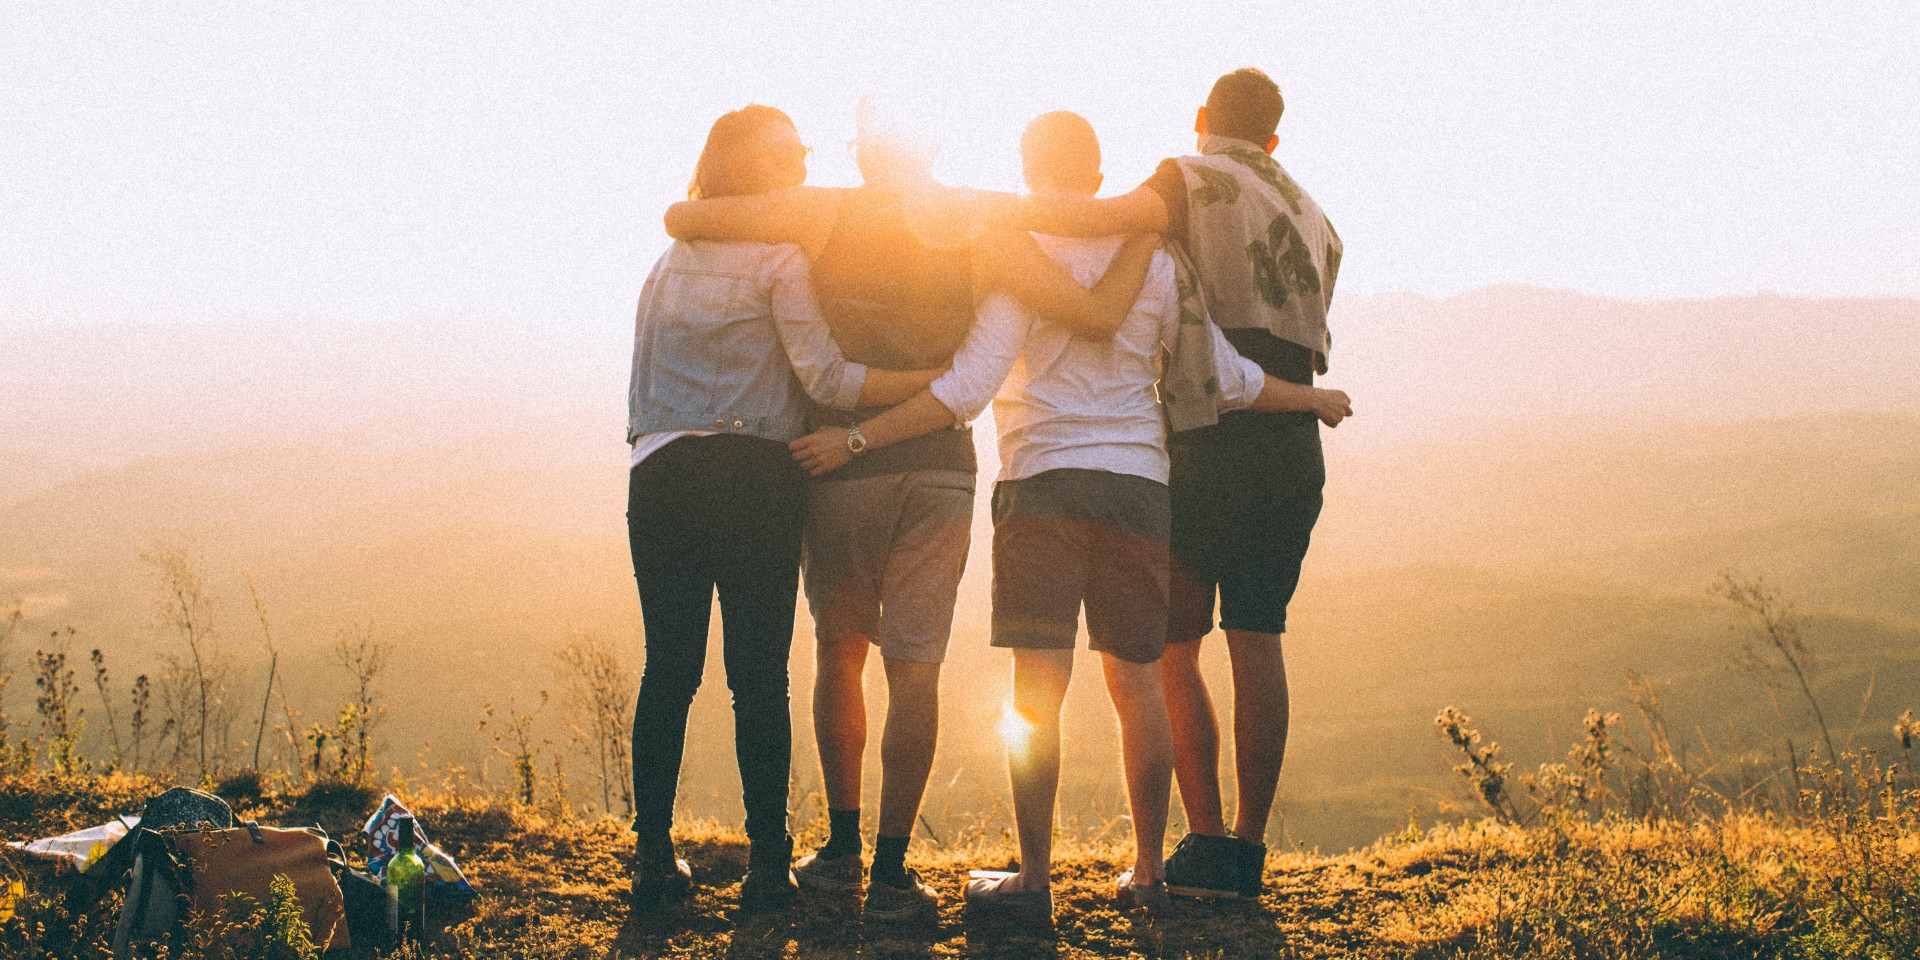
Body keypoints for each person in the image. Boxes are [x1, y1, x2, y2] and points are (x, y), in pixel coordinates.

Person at [789, 111, 1350, 923]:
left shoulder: (1018, 257)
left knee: (1036, 695)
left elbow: (967, 388)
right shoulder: (1157, 261)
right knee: (1139, 687)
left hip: (1041, 485)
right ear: (1097, 177)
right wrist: (1313, 398)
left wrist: (858, 437)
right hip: (1138, 490)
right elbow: (1226, 377)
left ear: (1027, 169)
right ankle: (1150, 874)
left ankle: (1035, 879)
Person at [663, 97, 1159, 922]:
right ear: (933, 146)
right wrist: (1145, 227)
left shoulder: (821, 212)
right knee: (915, 667)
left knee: (840, 650)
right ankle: (894, 870)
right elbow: (1087, 308)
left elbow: (691, 216)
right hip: (939, 468)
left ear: (862, 155)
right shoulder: (976, 222)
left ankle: (842, 848)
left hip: (838, 463)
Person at [1001, 68, 1346, 899]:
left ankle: (1203, 841)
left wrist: (976, 215)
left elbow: (1094, 219)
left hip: (1207, 433)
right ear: (1273, 137)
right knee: (1259, 638)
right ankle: (1247, 854)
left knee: (1173, 649)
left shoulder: (1184, 178)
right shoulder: (1312, 212)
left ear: (1202, 120)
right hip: (1290, 437)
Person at [624, 104, 945, 916]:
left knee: (668, 670)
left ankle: (653, 860)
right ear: (748, 168)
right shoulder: (779, 259)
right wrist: (932, 384)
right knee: (756, 678)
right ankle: (768, 866)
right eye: (788, 153)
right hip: (756, 479)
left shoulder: (666, 263)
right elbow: (830, 383)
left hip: (660, 474)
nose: (802, 162)